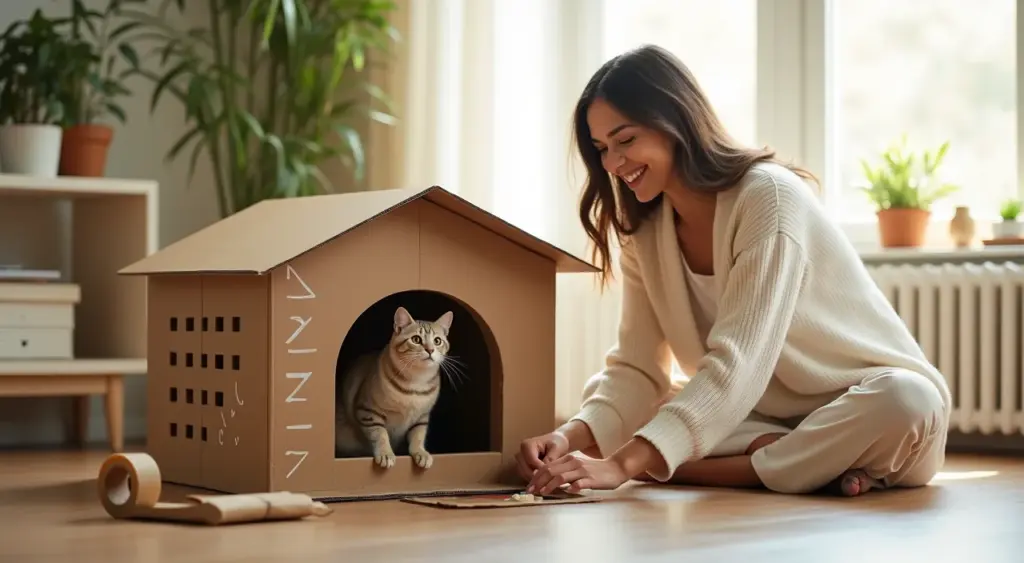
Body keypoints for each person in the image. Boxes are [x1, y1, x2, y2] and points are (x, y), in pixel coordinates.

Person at [515, 44, 951, 498]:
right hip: (758, 419)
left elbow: (738, 365)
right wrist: (568, 436)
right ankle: (815, 466)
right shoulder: (643, 231)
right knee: (637, 404)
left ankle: (708, 471)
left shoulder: (769, 198)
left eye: (625, 140)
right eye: (602, 148)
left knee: (908, 400)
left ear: (676, 121)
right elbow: (637, 368)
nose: (611, 164)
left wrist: (624, 464)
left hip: (860, 405)